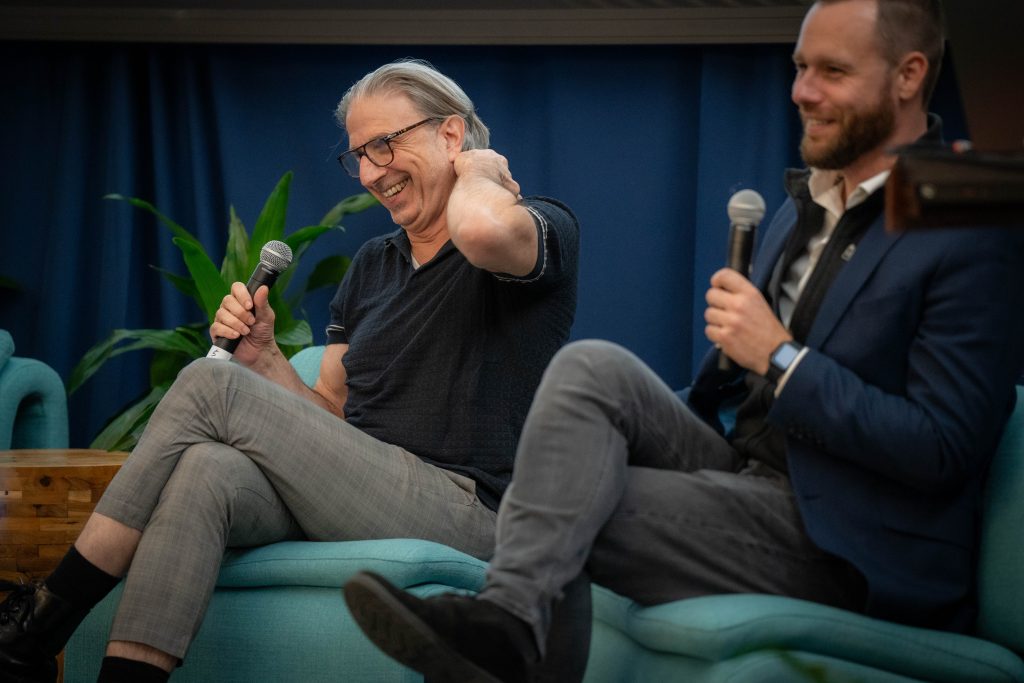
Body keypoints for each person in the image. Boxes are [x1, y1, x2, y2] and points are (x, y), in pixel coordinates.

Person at [341, 2, 1024, 681]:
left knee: (563, 512)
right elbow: (732, 395)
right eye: (800, 67)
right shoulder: (800, 207)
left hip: (854, 539)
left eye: (833, 71)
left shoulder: (966, 213)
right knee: (591, 370)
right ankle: (507, 632)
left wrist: (781, 359)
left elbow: (944, 446)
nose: (803, 91)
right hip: (749, 474)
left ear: (908, 76)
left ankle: (505, 631)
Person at [0, 59, 579, 683]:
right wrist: (266, 361)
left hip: (464, 507)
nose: (368, 171)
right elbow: (332, 413)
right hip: (358, 489)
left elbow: (481, 226)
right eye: (358, 154)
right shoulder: (372, 267)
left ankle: (44, 621)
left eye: (384, 143)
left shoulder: (539, 224)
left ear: (449, 134)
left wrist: (481, 169)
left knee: (207, 381)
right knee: (206, 469)